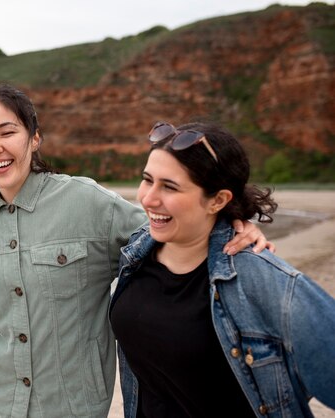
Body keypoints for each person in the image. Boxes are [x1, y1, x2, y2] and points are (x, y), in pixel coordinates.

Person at [0, 84, 269, 418]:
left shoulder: (87, 201)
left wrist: (230, 225)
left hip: (70, 407)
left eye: (7, 132)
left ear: (34, 138)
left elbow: (170, 228)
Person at [110, 121, 335, 417]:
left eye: (170, 186)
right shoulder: (137, 252)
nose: (148, 198)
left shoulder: (261, 277)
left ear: (217, 200)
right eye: (147, 179)